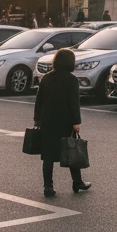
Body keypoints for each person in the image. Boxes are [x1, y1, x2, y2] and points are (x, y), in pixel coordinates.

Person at [33, 48, 90, 198]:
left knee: (48, 155)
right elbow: (73, 103)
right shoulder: (71, 80)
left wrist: (37, 118)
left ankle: (48, 186)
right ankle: (77, 182)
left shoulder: (46, 78)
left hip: (47, 120)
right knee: (71, 150)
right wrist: (76, 122)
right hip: (64, 120)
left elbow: (39, 100)